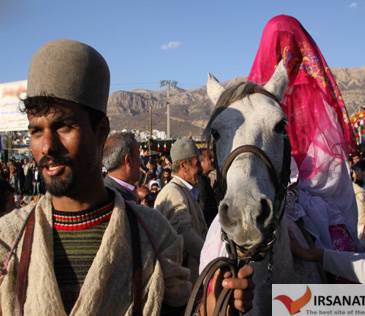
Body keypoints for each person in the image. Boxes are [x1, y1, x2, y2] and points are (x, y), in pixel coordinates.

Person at [0, 39, 253, 316]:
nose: (47, 146)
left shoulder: (153, 236)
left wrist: (212, 308)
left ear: (100, 131)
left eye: (63, 127)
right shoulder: (9, 242)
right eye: (36, 131)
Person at [248, 14, 359, 252]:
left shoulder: (320, 106)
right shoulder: (257, 106)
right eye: (277, 47)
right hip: (268, 204)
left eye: (288, 47)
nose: (283, 54)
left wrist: (294, 200)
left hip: (316, 212)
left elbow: (331, 174)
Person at [155, 137, 208, 283]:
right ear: (184, 165)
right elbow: (186, 234)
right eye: (197, 164)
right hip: (183, 284)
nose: (201, 169)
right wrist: (211, 258)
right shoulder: (174, 193)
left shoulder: (185, 191)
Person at [102, 132, 140, 203]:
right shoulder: (115, 199)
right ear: (128, 160)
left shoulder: (108, 190)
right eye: (138, 157)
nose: (140, 163)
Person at [197, 148, 218, 227]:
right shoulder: (200, 181)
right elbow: (203, 205)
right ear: (201, 162)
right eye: (209, 158)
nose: (212, 160)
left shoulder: (204, 178)